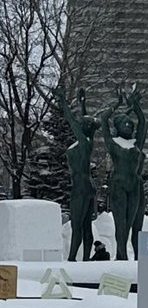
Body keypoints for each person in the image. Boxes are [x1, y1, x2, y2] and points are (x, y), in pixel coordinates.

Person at [100, 86, 146, 261]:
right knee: (121, 222)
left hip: (134, 185)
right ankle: (121, 256)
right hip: (118, 184)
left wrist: (136, 106)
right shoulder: (114, 143)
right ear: (118, 127)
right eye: (124, 123)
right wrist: (117, 104)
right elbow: (104, 121)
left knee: (132, 220)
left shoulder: (135, 144)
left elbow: (143, 123)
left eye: (129, 123)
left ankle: (130, 255)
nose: (128, 125)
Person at [55, 86, 96, 262]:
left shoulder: (84, 142)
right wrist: (82, 104)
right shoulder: (88, 141)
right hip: (87, 186)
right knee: (86, 226)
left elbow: (72, 121)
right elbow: (83, 121)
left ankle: (72, 259)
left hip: (80, 187)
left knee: (77, 226)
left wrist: (63, 101)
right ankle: (85, 259)